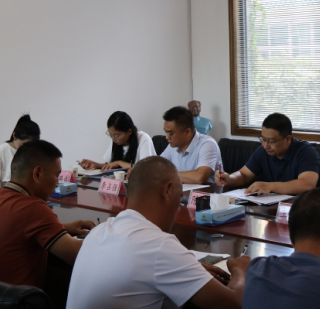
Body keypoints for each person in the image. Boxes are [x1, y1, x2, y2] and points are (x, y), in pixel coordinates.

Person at [67, 156, 250, 309]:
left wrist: (186, 269)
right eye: (179, 196)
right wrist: (241, 269)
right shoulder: (160, 246)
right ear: (168, 191)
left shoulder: (99, 231)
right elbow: (233, 303)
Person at [0, 140, 95, 288]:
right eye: (56, 176)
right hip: (11, 299)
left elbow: (14, 228)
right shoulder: (33, 208)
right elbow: (77, 255)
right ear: (37, 173)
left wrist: (64, 228)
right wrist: (103, 234)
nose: (57, 183)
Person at [215, 113, 320, 195]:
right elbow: (244, 175)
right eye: (263, 139)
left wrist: (270, 186)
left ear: (287, 139)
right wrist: (229, 178)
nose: (266, 145)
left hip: (307, 209)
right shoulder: (263, 151)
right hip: (274, 208)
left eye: (271, 141)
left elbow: (307, 184)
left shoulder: (306, 152)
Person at [160, 106, 222, 184]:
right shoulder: (173, 145)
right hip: (182, 191)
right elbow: (158, 168)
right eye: (166, 132)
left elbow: (200, 177)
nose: (167, 137)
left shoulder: (207, 144)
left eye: (171, 133)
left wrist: (167, 174)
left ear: (187, 132)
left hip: (207, 191)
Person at [79, 111, 156, 171]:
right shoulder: (115, 140)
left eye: (116, 136)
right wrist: (95, 165)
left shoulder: (143, 139)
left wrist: (119, 162)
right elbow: (110, 165)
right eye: (110, 135)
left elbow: (145, 169)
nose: (113, 139)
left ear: (129, 131)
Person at [0, 114, 40, 185]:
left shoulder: (34, 152)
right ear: (14, 135)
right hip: (3, 190)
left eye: (31, 145)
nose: (27, 148)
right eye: (23, 144)